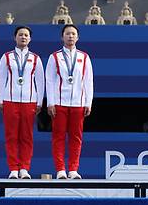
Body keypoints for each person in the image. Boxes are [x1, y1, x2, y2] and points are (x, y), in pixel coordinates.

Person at [45, 24, 93, 179]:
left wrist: (88, 102)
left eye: (73, 34)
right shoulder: (55, 57)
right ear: (62, 37)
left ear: (77, 37)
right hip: (59, 102)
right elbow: (50, 81)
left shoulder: (84, 57)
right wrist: (50, 102)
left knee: (76, 137)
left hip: (78, 103)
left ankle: (73, 169)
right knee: (58, 137)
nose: (70, 36)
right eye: (67, 34)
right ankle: (60, 169)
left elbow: (88, 81)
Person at [0, 26, 45, 179]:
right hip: (10, 100)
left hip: (29, 101)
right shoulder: (7, 57)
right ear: (15, 37)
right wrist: (0, 100)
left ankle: (24, 168)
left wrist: (39, 102)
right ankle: (13, 169)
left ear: (30, 39)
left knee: (26, 136)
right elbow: (0, 79)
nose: (23, 37)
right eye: (20, 35)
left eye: (26, 35)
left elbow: (40, 81)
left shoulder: (35, 58)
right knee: (11, 136)